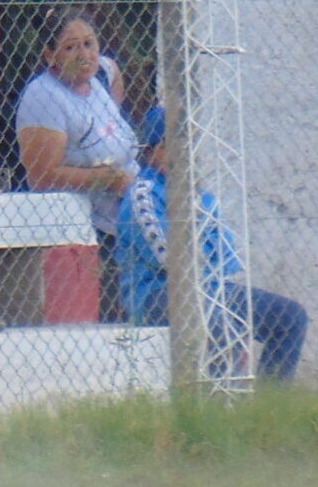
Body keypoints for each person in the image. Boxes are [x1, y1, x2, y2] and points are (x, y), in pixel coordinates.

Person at [117, 108, 306, 382]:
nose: (186, 153)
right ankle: (224, 408)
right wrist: (203, 252)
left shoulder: (196, 193)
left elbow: (226, 253)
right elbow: (173, 260)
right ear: (154, 150)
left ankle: (269, 409)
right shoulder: (143, 194)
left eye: (189, 144)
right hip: (156, 295)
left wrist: (202, 254)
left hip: (210, 287)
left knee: (290, 317)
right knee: (220, 324)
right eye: (175, 145)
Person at [15, 7, 138, 241]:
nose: (84, 55)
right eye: (71, 48)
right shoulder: (44, 96)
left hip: (128, 209)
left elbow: (110, 67)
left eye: (89, 44)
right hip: (89, 226)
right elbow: (42, 177)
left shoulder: (96, 82)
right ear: (50, 55)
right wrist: (106, 178)